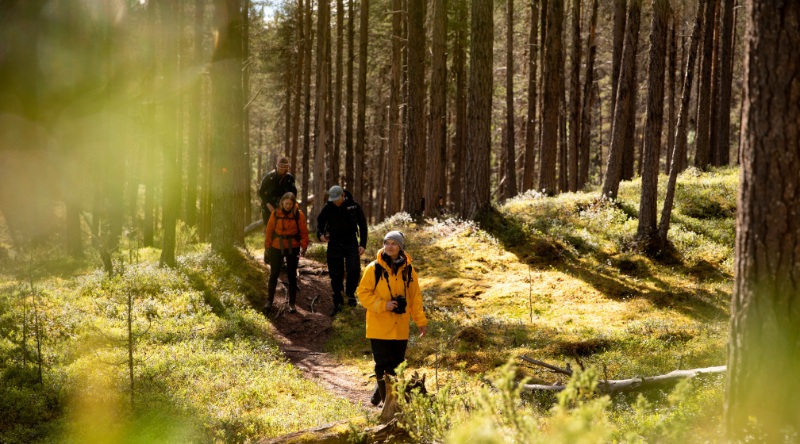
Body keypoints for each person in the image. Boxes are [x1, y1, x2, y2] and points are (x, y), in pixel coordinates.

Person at [356, 231, 427, 406]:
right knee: (383, 365)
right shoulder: (374, 268)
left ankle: (377, 396)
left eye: (393, 243)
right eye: (387, 243)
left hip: (400, 326)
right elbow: (362, 293)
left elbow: (415, 297)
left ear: (400, 247)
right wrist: (382, 305)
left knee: (396, 366)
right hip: (378, 324)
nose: (389, 246)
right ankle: (389, 404)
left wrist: (420, 321)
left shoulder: (409, 270)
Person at [316, 185, 368, 315]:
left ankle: (350, 295)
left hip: (351, 242)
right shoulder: (328, 207)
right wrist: (320, 235)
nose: (335, 202)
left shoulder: (354, 206)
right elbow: (320, 222)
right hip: (333, 242)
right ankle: (338, 302)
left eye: (337, 199)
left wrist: (362, 244)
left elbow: (363, 225)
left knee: (354, 269)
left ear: (343, 195)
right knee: (335, 274)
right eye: (333, 199)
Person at [264, 192, 309, 312]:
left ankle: (292, 303)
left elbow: (304, 233)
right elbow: (269, 231)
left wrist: (303, 248)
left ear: (294, 204)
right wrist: (267, 247)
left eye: (290, 204)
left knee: (291, 275)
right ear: (282, 202)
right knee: (274, 273)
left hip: (293, 247)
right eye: (286, 204)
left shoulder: (299, 215)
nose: (287, 206)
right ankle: (269, 300)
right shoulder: (275, 214)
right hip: (276, 247)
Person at [259, 157, 298, 224]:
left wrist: (290, 205)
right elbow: (261, 192)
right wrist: (269, 206)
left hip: (285, 209)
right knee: (270, 229)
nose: (283, 171)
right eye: (281, 169)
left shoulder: (290, 178)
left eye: (285, 170)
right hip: (269, 208)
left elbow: (293, 193)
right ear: (277, 167)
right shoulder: (269, 177)